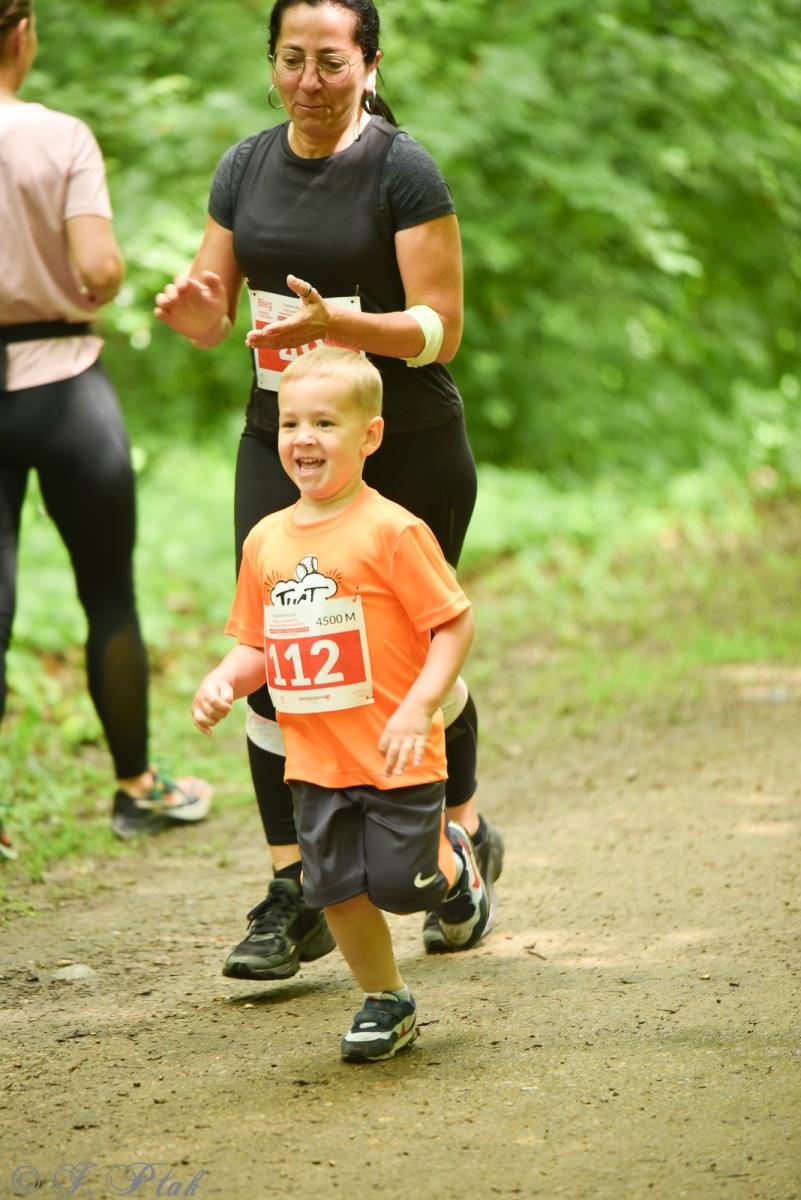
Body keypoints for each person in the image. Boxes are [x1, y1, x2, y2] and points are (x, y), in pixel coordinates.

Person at [155, 0, 502, 977]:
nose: (309, 81)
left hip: (404, 442)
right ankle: (294, 888)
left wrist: (341, 328)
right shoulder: (244, 166)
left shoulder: (402, 169)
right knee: (280, 653)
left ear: (369, 63)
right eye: (291, 59)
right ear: (272, 62)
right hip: (285, 440)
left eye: (331, 62)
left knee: (403, 656)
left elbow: (441, 328)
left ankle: (459, 838)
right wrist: (193, 311)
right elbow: (215, 312)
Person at [192, 347, 489, 1060]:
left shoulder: (392, 530)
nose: (304, 438)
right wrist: (224, 679)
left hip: (396, 749)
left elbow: (454, 624)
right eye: (291, 422)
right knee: (335, 891)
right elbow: (258, 643)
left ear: (369, 436)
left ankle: (454, 857)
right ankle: (386, 1000)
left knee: (404, 887)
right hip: (315, 761)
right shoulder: (265, 540)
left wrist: (419, 705)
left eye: (325, 423)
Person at [0, 0, 211, 858]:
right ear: (23, 34)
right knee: (109, 594)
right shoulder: (61, 137)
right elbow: (97, 270)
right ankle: (134, 788)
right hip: (65, 385)